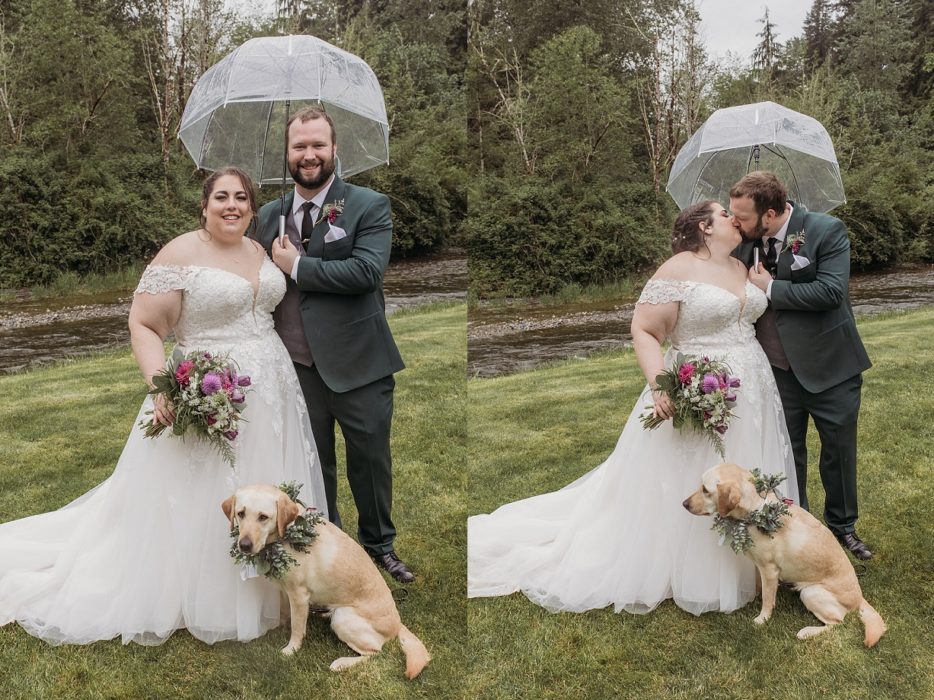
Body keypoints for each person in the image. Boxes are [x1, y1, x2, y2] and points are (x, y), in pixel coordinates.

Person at [0, 167, 329, 645]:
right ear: (204, 205)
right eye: (221, 197)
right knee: (205, 489)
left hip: (272, 390)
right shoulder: (180, 253)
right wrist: (161, 388)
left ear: (253, 208)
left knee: (264, 483)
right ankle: (200, 592)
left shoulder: (262, 249)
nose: (231, 205)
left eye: (241, 197)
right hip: (210, 388)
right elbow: (144, 324)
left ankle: (271, 584)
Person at [468, 201, 798, 615]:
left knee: (748, 463)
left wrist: (763, 285)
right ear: (704, 227)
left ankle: (757, 558)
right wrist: (662, 386)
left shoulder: (742, 266)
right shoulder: (677, 268)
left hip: (752, 387)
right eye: (724, 214)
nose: (736, 219)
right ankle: (690, 567)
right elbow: (643, 329)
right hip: (698, 383)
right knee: (691, 470)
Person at [255, 107, 413, 584]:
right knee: (311, 463)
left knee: (369, 460)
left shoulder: (368, 205)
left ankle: (379, 546)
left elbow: (367, 272)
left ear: (334, 149)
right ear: (287, 153)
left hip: (359, 360)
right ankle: (328, 547)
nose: (309, 155)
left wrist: (298, 266)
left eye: (318, 145)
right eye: (299, 146)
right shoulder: (267, 216)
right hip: (295, 364)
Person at [730, 171, 873, 560]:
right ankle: (798, 526)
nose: (734, 223)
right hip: (775, 371)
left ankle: (843, 529)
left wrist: (770, 288)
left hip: (831, 367)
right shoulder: (743, 243)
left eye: (741, 217)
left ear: (771, 214)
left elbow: (830, 291)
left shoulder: (826, 231)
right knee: (786, 454)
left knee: (838, 452)